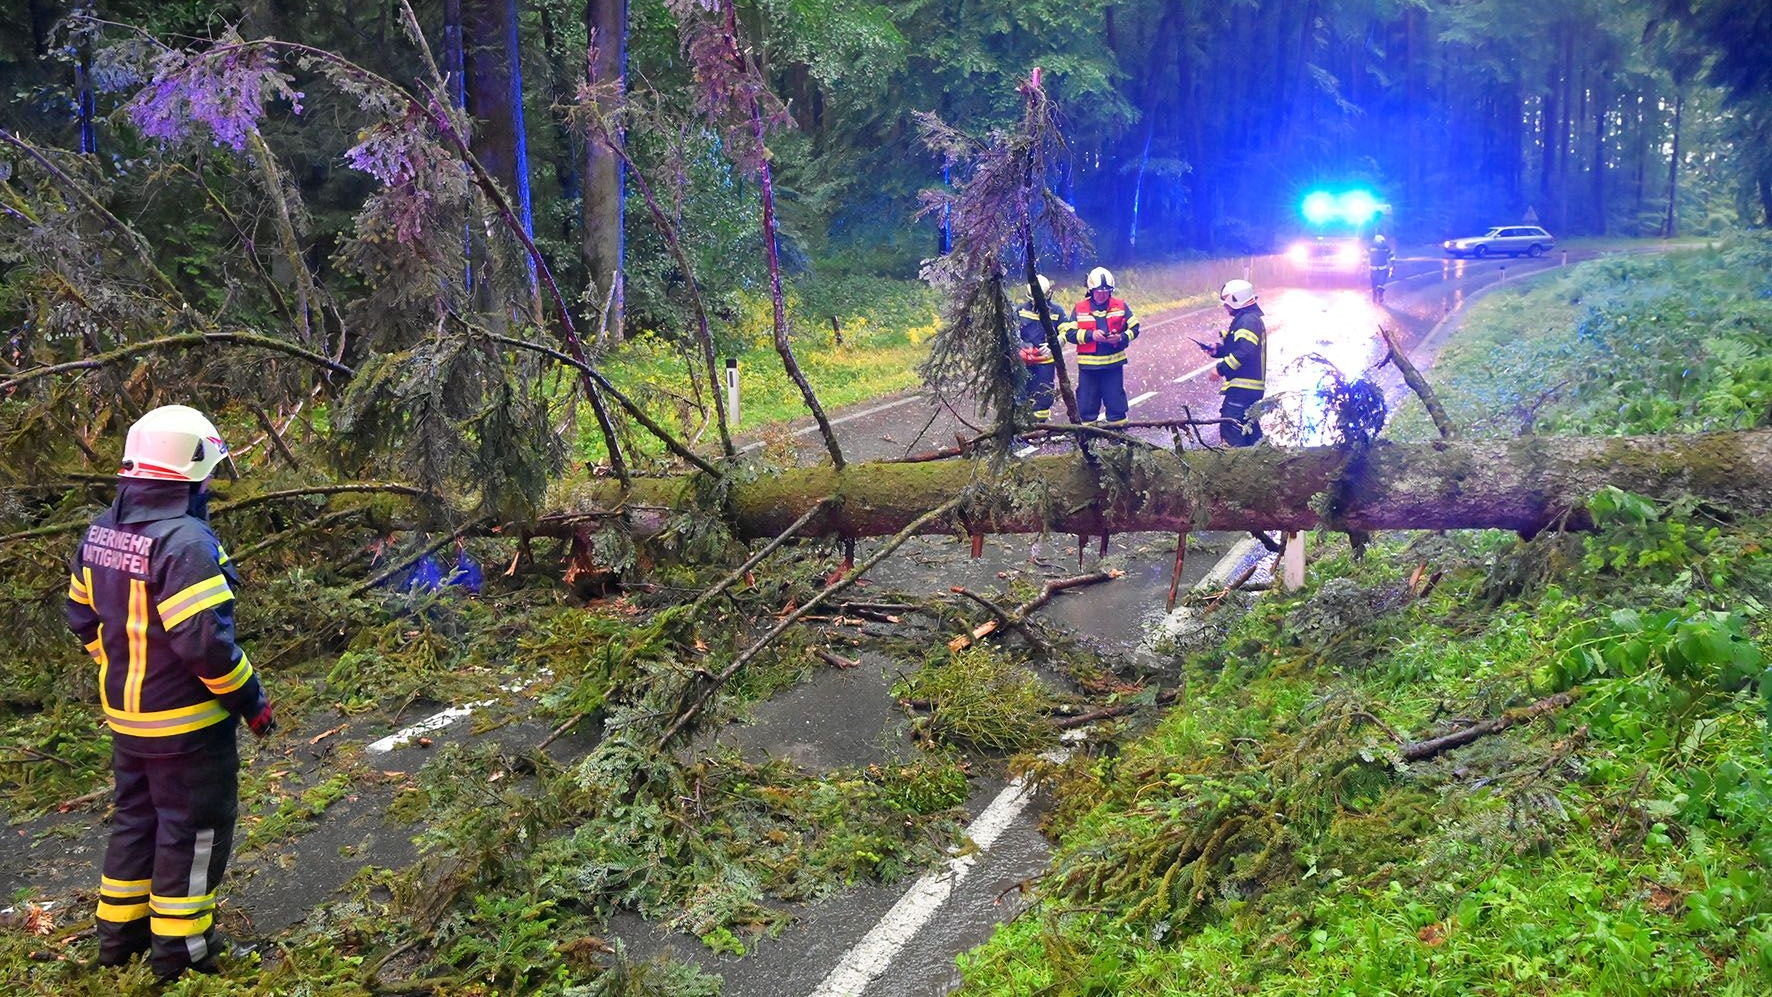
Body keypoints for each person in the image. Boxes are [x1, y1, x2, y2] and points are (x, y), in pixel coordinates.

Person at [66, 404, 274, 982]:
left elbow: (82, 617)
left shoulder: (104, 528)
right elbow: (205, 646)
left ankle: (119, 942)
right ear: (190, 470)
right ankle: (183, 957)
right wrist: (251, 700)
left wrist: (123, 669)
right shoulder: (184, 542)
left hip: (128, 722)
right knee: (194, 831)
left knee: (137, 822)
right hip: (186, 728)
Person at [1064, 266, 1140, 426]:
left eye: (1106, 291)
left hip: (1113, 366)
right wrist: (1091, 335)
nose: (1102, 294)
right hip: (1088, 368)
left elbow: (1135, 328)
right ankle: (1089, 445)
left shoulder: (1120, 306)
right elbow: (1069, 333)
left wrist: (1121, 337)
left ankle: (1119, 442)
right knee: (1086, 407)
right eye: (1099, 291)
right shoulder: (1079, 308)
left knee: (1116, 405)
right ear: (1091, 290)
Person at [1201, 279, 1266, 446]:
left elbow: (1245, 352)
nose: (1225, 306)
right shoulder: (1249, 318)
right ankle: (1263, 462)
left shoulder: (1248, 321)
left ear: (1236, 299)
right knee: (1249, 430)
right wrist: (1219, 350)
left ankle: (1234, 467)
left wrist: (1221, 369)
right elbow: (1241, 348)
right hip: (1249, 387)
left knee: (1231, 427)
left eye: (1226, 301)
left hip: (1244, 387)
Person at [1013, 274, 1070, 427]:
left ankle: (1040, 428)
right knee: (1021, 396)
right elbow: (1011, 331)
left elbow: (1067, 330)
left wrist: (1056, 343)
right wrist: (1022, 345)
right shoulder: (1021, 310)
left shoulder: (1057, 311)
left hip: (1045, 363)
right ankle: (1021, 427)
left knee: (1043, 398)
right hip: (1024, 364)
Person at [1368, 234, 1395, 302]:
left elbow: (1364, 255)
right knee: (1381, 283)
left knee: (1374, 283)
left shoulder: (1371, 247)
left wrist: (1363, 265)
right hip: (1382, 268)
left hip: (1373, 269)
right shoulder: (1385, 247)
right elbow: (1391, 256)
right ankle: (1380, 295)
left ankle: (1375, 297)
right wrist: (1393, 263)